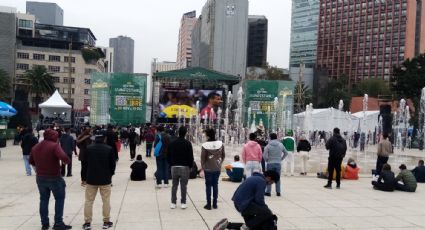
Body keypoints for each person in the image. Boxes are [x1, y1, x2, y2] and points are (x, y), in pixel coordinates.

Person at [29, 129, 71, 230]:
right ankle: (58, 223)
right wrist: (66, 162)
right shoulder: (54, 146)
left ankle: (44, 223)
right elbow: (64, 157)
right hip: (54, 177)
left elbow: (31, 161)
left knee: (43, 200)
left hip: (40, 178)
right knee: (59, 199)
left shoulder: (36, 147)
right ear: (53, 136)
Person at [82, 130, 116, 230]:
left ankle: (87, 223)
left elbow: (85, 164)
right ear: (104, 138)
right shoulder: (109, 149)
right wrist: (111, 174)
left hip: (91, 178)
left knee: (88, 201)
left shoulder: (89, 148)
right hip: (105, 179)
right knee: (106, 201)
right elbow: (112, 165)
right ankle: (106, 221)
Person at [167, 126, 194, 209]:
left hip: (174, 167)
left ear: (178, 132)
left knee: (174, 185)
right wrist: (191, 166)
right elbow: (190, 156)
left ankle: (173, 202)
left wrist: (171, 164)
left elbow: (168, 155)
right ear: (185, 133)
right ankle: (183, 202)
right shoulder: (188, 143)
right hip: (184, 167)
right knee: (183, 186)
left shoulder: (172, 143)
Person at [201, 128, 225, 210]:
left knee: (208, 186)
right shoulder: (220, 144)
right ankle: (215, 204)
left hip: (208, 169)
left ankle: (208, 204)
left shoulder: (205, 145)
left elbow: (203, 158)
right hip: (217, 168)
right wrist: (219, 163)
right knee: (215, 185)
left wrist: (203, 167)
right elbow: (223, 155)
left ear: (208, 135)